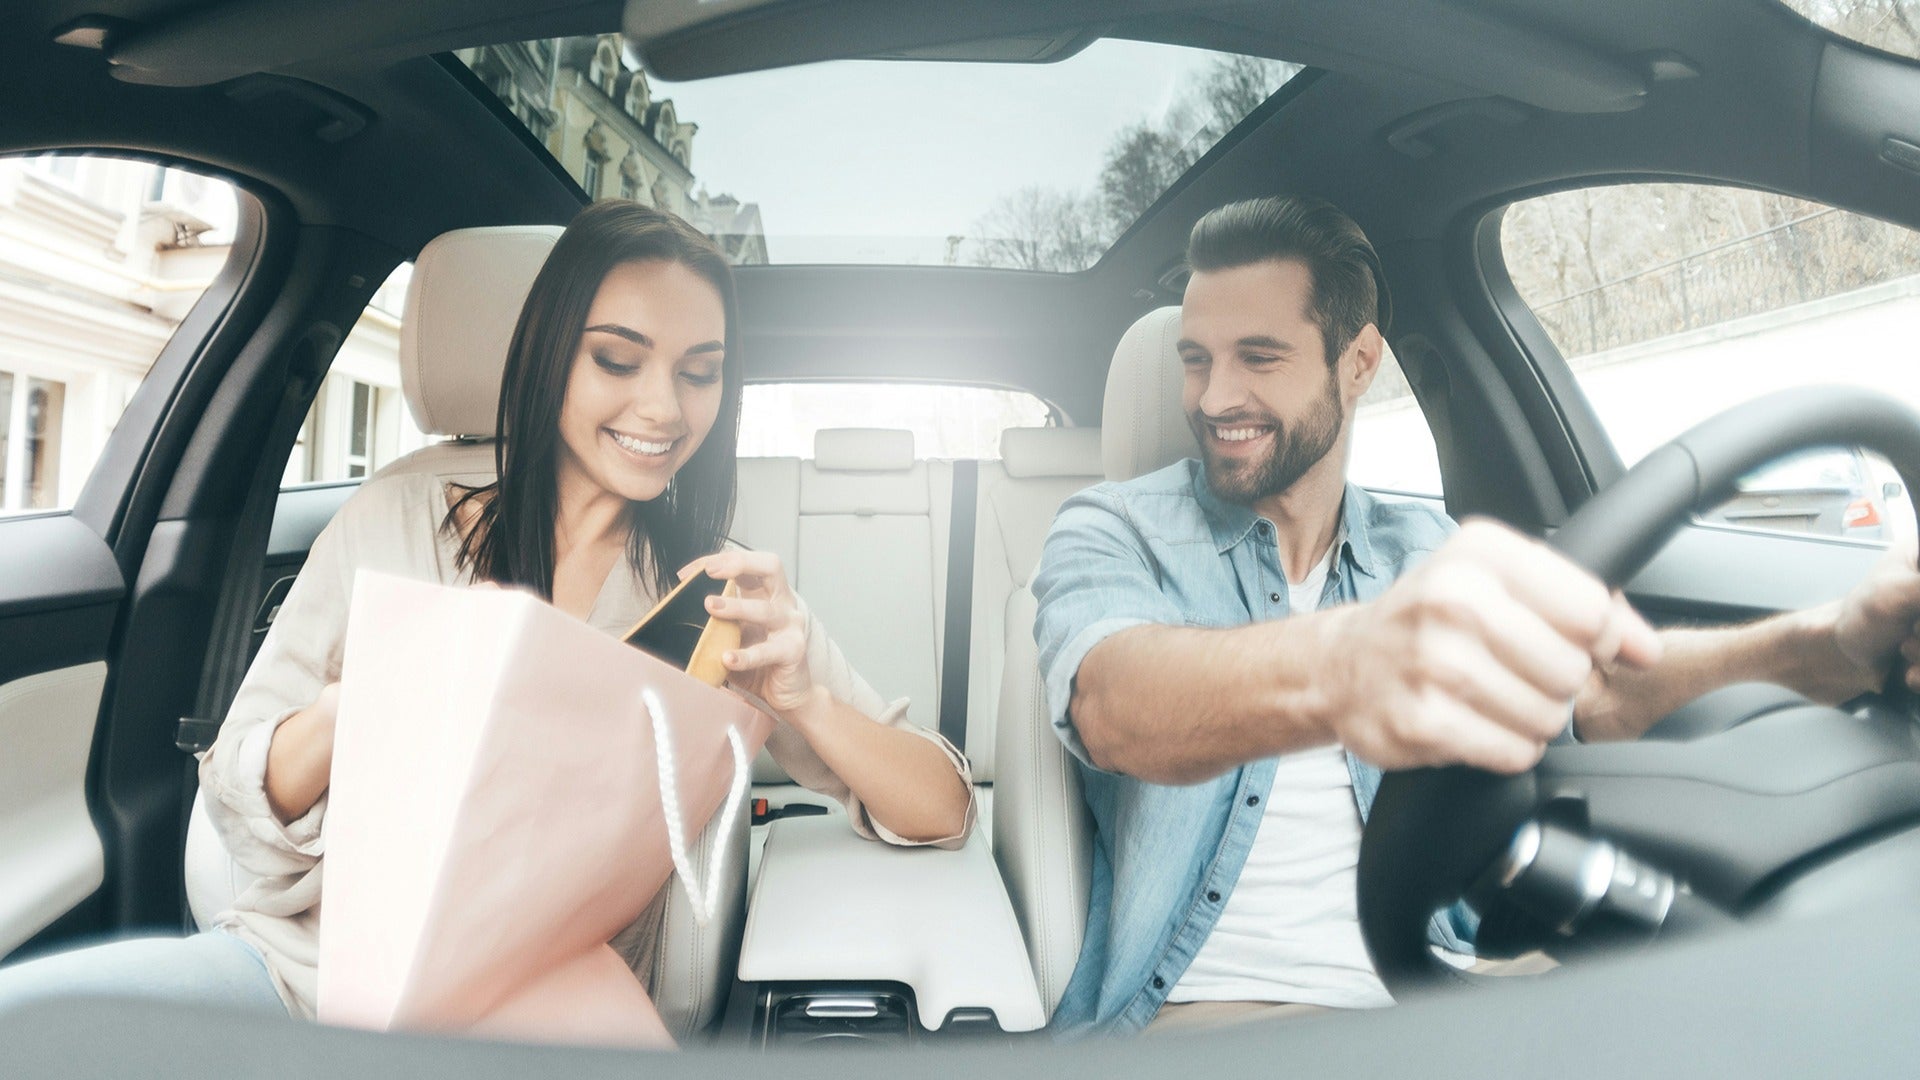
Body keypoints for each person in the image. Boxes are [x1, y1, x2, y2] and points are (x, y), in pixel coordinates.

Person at [0, 201, 974, 1020]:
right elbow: (241, 808)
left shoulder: (721, 593)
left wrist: (804, 700)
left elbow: (942, 808)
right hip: (308, 981)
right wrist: (361, 704)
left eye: (699, 370)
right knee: (42, 1029)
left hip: (543, 1011)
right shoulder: (393, 519)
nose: (666, 408)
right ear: (551, 354)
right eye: (618, 359)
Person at [1032, 194, 1920, 1038]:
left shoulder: (1425, 546)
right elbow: (1114, 703)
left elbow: (1601, 692)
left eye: (1257, 358)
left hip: (1452, 984)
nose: (1215, 396)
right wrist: (1347, 665)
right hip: (1217, 1022)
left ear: (1360, 362)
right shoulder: (1112, 529)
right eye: (1196, 360)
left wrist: (1833, 643)